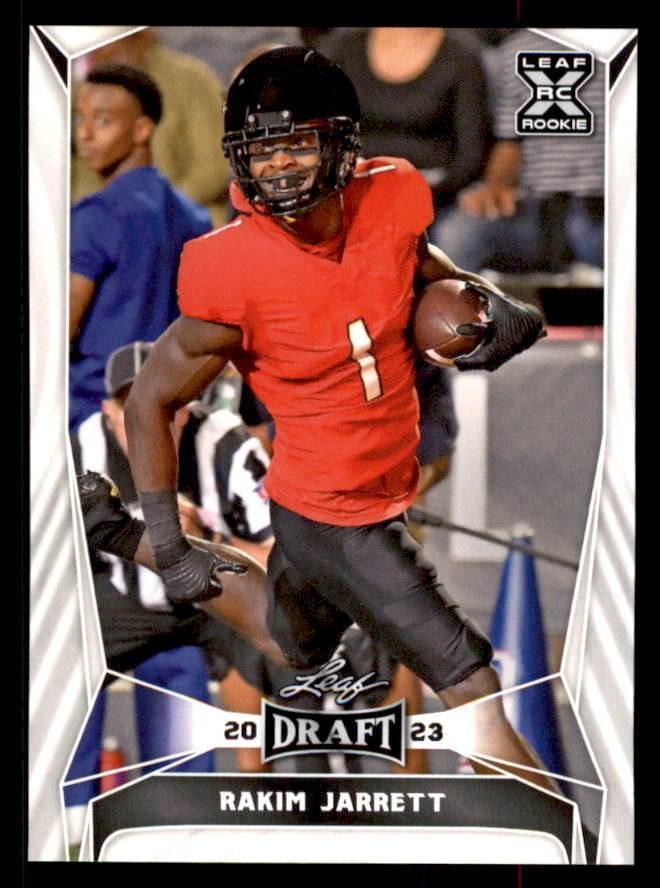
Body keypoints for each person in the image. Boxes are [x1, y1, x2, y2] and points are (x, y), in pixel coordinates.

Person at [123, 47, 555, 792]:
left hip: (340, 492)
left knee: (290, 639)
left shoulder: (392, 195)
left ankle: (114, 534)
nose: (278, 165)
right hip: (340, 513)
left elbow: (423, 266)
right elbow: (149, 400)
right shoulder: (229, 269)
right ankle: (573, 837)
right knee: (474, 690)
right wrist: (168, 535)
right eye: (262, 149)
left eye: (296, 143)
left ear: (343, 145)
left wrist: (490, 306)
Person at [69, 64, 213, 434]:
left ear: (142, 129)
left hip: (92, 416)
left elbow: (57, 335)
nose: (84, 133)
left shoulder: (96, 214)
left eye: (102, 121)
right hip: (170, 418)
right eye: (81, 118)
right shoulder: (195, 217)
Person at [434, 29, 605, 277]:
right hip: (536, 208)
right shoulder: (517, 48)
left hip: (607, 207)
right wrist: (496, 186)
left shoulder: (626, 46)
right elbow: (510, 142)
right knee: (457, 234)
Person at [72, 28, 230, 226]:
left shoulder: (191, 79)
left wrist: (160, 207)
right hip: (103, 223)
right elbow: (76, 180)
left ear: (140, 37)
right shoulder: (83, 93)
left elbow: (214, 168)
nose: (95, 52)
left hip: (184, 218)